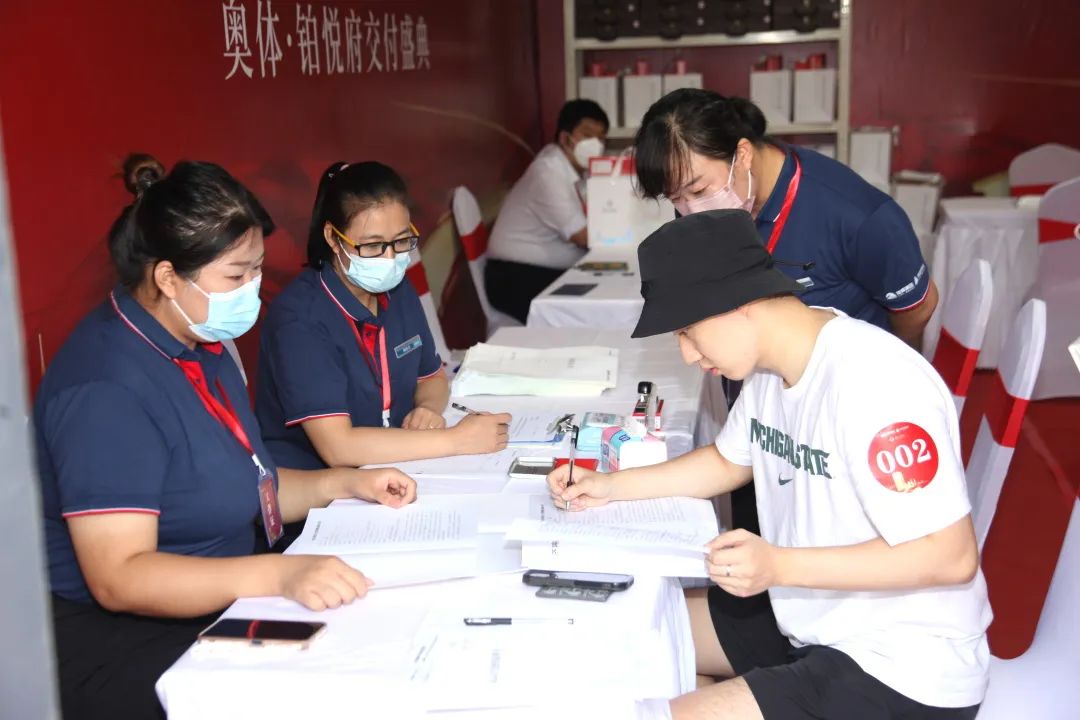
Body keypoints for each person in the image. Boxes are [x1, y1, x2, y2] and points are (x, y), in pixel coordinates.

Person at [548, 211, 991, 720]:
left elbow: (951, 557)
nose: (688, 354)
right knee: (620, 630)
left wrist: (779, 565)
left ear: (741, 303)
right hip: (806, 613)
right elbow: (725, 461)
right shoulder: (768, 368)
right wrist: (611, 486)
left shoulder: (877, 382)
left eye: (688, 331)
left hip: (902, 665)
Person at [36, 155, 418, 720]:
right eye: (237, 277)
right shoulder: (105, 389)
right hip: (122, 636)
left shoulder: (200, 343)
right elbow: (121, 577)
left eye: (257, 270)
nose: (253, 291)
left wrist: (344, 484)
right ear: (168, 277)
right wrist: (280, 574)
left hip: (226, 585)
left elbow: (249, 483)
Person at [634, 89, 940, 536]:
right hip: (763, 418)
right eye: (675, 198)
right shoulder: (709, 212)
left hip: (842, 430)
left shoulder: (857, 217)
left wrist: (879, 377)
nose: (689, 210)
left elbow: (916, 309)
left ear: (742, 154)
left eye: (697, 190)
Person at [256, 161, 511, 471]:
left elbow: (432, 377)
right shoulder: (299, 320)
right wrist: (457, 440)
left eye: (401, 241)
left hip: (396, 465)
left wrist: (427, 409)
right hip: (325, 487)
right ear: (333, 238)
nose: (390, 258)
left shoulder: (397, 289)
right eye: (373, 245)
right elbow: (339, 448)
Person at [484, 99, 610, 323]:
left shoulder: (575, 172)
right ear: (565, 138)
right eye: (588, 135)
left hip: (543, 273)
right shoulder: (548, 172)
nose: (596, 144)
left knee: (606, 293)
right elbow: (584, 236)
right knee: (592, 311)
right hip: (515, 279)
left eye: (601, 138)